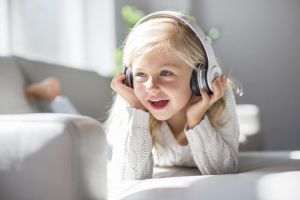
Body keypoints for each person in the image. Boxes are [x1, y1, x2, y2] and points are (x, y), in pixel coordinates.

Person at [106, 11, 240, 181]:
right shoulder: (132, 100)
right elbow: (130, 175)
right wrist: (137, 110)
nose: (151, 87)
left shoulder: (220, 98)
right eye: (140, 74)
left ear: (198, 77)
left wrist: (196, 120)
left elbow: (224, 172)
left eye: (166, 73)